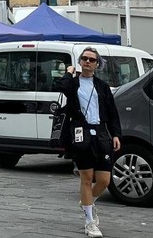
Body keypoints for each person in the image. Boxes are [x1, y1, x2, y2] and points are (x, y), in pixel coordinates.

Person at [55, 47, 121, 238]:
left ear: (97, 64)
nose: (88, 62)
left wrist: (116, 134)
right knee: (86, 176)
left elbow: (112, 112)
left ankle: (88, 204)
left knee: (104, 180)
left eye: (92, 60)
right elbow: (61, 87)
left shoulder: (102, 86)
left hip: (100, 133)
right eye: (84, 58)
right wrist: (68, 72)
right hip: (80, 132)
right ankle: (89, 221)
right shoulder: (72, 83)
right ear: (80, 61)